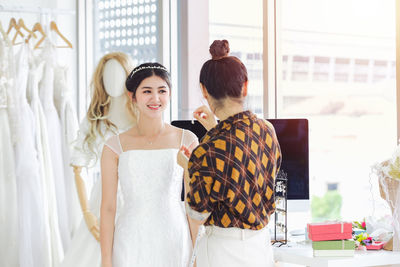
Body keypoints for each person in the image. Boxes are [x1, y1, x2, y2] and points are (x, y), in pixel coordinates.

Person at [177, 40, 282, 267]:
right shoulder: (267, 130)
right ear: (245, 86)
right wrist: (214, 128)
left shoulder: (206, 150)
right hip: (261, 247)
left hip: (223, 251)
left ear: (204, 91)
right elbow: (243, 163)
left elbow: (197, 214)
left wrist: (188, 167)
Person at [100, 62, 198, 267]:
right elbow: (108, 208)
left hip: (174, 239)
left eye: (162, 91)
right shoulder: (113, 146)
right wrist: (106, 260)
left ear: (169, 94)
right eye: (147, 91)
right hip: (130, 241)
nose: (155, 98)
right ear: (132, 96)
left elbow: (193, 204)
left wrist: (198, 254)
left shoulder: (187, 140)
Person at [60, 52, 135, 267]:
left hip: (136, 199)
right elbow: (78, 166)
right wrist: (87, 213)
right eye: (107, 75)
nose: (112, 81)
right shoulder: (95, 118)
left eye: (118, 74)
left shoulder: (142, 115)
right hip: (102, 199)